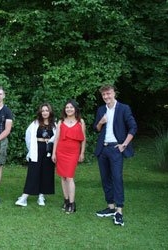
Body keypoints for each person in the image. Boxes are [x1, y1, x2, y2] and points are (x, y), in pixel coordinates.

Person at [93, 85, 137, 226]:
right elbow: (96, 129)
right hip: (103, 149)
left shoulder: (124, 108)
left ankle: (119, 211)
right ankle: (110, 207)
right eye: (104, 95)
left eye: (108, 93)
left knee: (117, 179)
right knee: (105, 179)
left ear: (113, 93)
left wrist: (124, 144)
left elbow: (133, 127)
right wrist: (101, 122)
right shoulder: (101, 110)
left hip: (116, 149)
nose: (106, 97)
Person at [15, 103, 56, 207]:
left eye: (47, 110)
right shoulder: (35, 124)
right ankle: (24, 197)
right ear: (40, 112)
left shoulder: (54, 124)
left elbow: (57, 137)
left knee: (46, 173)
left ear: (50, 112)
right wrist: (31, 150)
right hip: (36, 150)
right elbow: (28, 137)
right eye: (43, 111)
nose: (45, 112)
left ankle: (41, 196)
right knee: (33, 173)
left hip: (48, 151)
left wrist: (50, 142)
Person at [52, 99, 86, 213]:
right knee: (63, 176)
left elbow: (83, 139)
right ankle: (66, 200)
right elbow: (56, 138)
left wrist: (82, 153)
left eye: (71, 107)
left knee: (70, 177)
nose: (69, 109)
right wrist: (54, 153)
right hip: (61, 151)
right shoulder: (61, 121)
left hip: (73, 152)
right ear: (64, 110)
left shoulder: (80, 121)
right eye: (67, 107)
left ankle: (72, 203)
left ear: (75, 109)